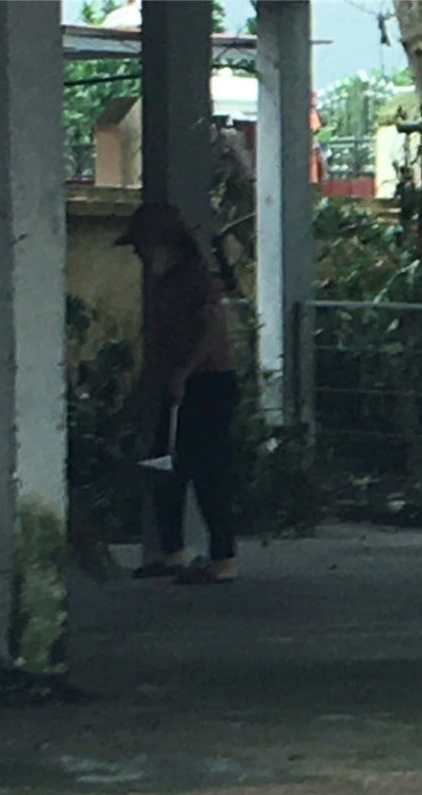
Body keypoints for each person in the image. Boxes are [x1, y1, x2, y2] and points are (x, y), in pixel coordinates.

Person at [119, 201, 241, 585]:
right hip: (178, 382)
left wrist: (183, 373)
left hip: (207, 383)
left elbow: (209, 329)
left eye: (141, 245)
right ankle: (173, 552)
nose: (137, 254)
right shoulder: (165, 283)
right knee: (165, 468)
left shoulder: (193, 279)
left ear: (160, 243)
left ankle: (223, 559)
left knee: (208, 471)